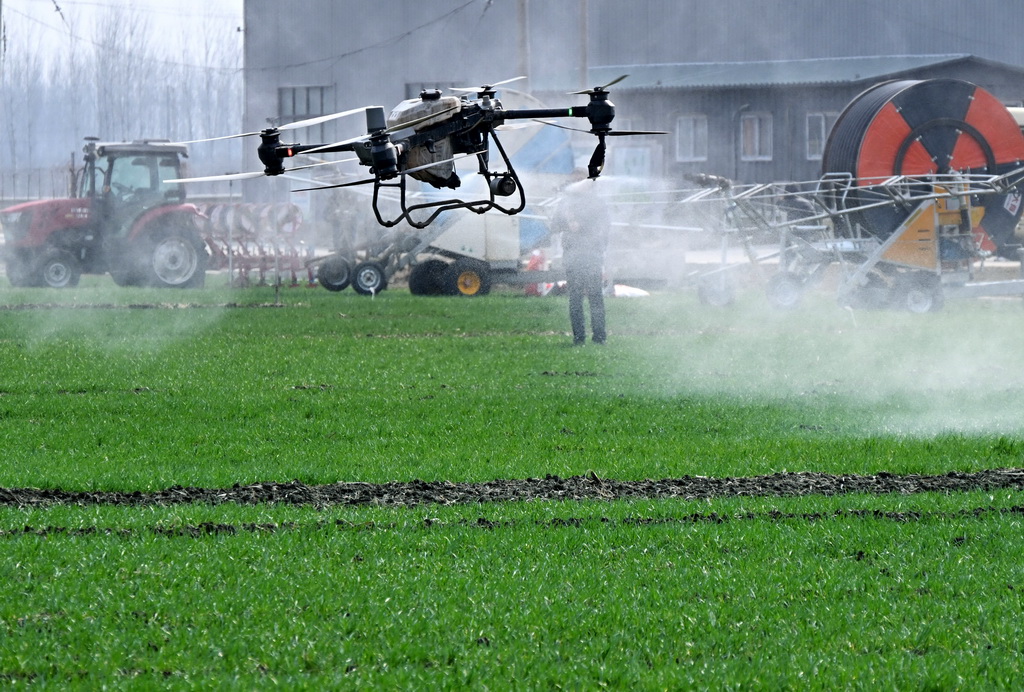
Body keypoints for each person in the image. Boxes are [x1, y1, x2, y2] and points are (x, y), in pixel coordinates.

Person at [553, 173, 610, 345]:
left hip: (591, 255)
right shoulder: (565, 204)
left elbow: (604, 228)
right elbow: (554, 226)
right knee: (575, 298)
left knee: (595, 296)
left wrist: (583, 228)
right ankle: (579, 338)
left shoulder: (597, 204)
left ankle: (599, 337)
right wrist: (567, 225)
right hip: (573, 256)